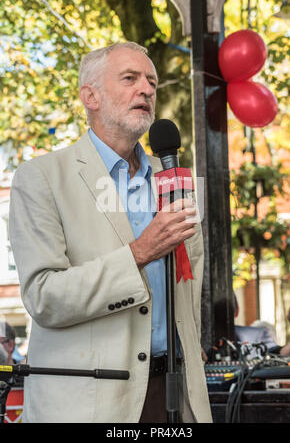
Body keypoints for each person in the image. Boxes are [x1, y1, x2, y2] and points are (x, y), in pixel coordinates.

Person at [9, 42, 212, 423]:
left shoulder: (174, 176)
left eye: (152, 82)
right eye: (130, 79)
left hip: (175, 395)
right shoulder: (40, 178)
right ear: (91, 96)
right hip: (92, 402)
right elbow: (43, 296)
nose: (148, 90)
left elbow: (192, 274)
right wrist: (138, 253)